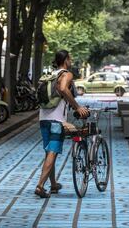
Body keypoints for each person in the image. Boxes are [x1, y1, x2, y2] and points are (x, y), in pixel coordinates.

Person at [35, 50, 89, 198]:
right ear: (65, 60)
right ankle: (40, 186)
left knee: (49, 153)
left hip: (43, 118)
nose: (70, 61)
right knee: (52, 152)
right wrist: (77, 107)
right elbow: (64, 88)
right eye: (70, 58)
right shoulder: (66, 74)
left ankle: (53, 184)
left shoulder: (51, 74)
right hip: (56, 120)